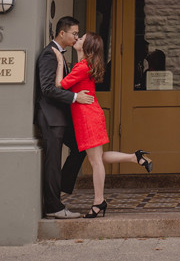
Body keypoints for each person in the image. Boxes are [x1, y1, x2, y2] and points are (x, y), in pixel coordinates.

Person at [53, 31, 153, 218]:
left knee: (95, 160)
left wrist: (60, 62)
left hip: (87, 118)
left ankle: (99, 201)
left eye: (81, 38)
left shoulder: (82, 67)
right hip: (92, 115)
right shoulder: (85, 65)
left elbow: (59, 85)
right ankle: (135, 157)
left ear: (86, 46)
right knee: (98, 156)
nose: (77, 39)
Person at [35, 16, 93, 219]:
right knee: (52, 161)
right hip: (51, 118)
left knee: (80, 147)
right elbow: (48, 89)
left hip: (61, 117)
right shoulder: (48, 55)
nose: (76, 36)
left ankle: (59, 191)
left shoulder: (59, 54)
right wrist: (76, 97)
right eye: (74, 33)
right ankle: (54, 207)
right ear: (62, 33)